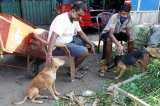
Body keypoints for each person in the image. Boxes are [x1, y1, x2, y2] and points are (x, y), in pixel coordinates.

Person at [45, 1, 95, 79]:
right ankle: (71, 69)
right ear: (73, 11)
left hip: (68, 42)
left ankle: (76, 64)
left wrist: (91, 44)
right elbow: (53, 37)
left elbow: (81, 33)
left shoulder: (74, 19)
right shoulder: (62, 20)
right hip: (58, 47)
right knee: (85, 52)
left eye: (82, 16)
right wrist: (49, 54)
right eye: (79, 15)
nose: (80, 18)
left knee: (83, 41)